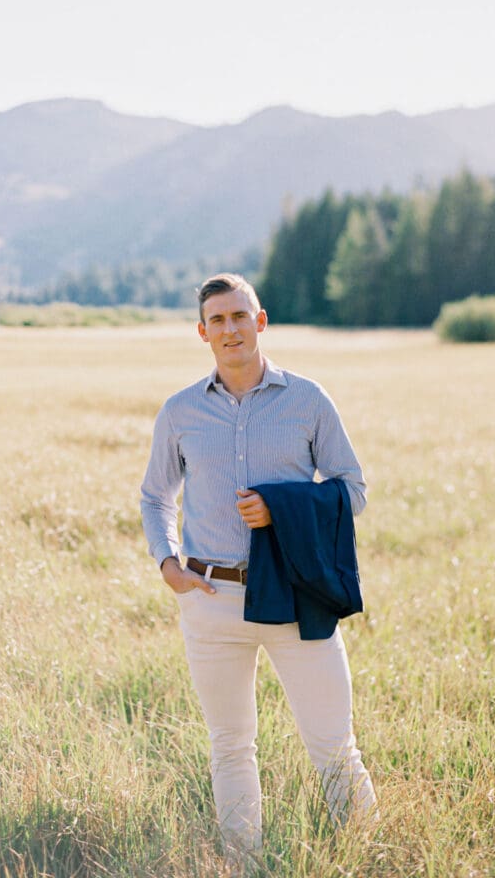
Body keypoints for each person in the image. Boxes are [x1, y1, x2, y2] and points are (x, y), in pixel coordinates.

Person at [140, 272, 376, 864]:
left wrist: (284, 508)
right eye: (217, 320)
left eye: (239, 316)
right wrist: (167, 560)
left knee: (332, 746)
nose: (230, 329)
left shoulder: (308, 400)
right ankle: (243, 864)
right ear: (202, 333)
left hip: (296, 597)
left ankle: (369, 856)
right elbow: (155, 497)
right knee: (230, 746)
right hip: (210, 599)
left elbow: (354, 489)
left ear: (260, 321)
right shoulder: (180, 412)